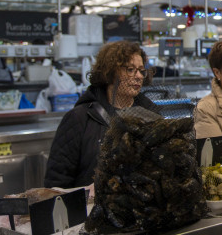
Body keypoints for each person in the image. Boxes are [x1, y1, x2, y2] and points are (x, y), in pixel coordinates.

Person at [44, 41, 156, 188]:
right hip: (89, 208)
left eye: (141, 70)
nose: (138, 76)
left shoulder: (151, 115)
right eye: (130, 69)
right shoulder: (80, 118)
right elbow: (57, 180)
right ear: (109, 72)